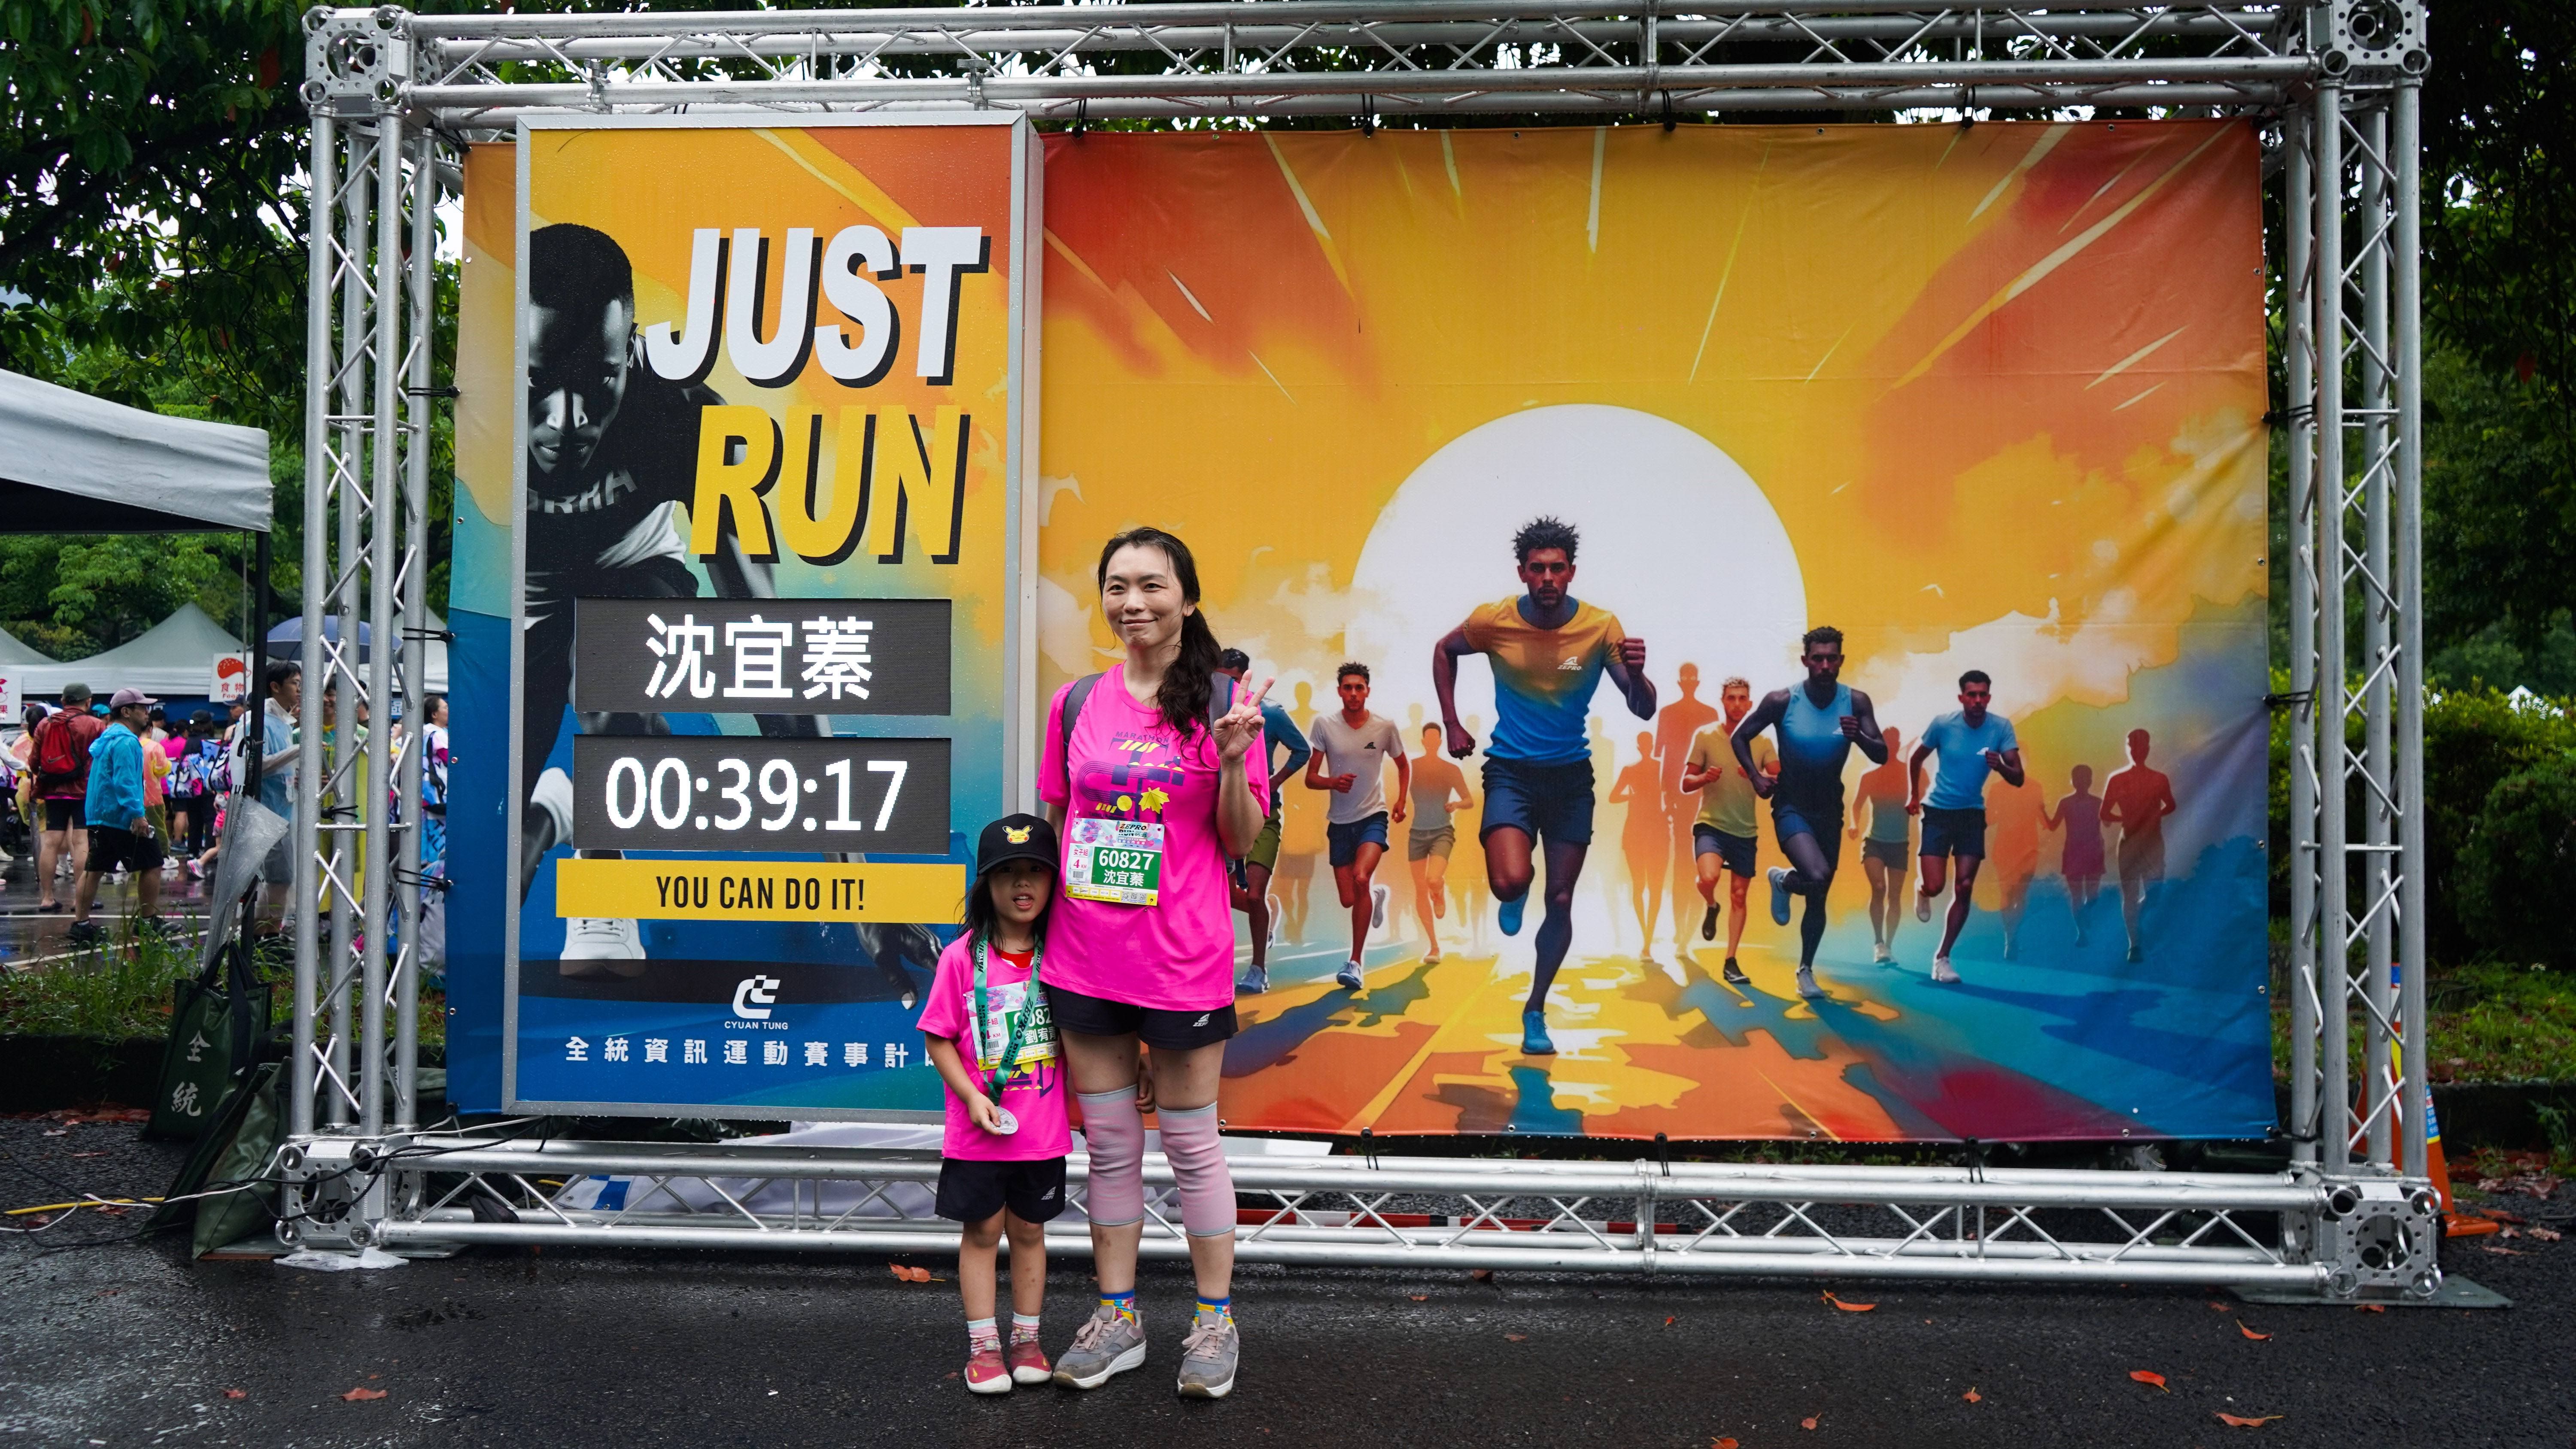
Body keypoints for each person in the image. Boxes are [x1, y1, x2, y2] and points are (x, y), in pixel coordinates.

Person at [513, 223, 816, 971]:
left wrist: (862, 890)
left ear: (633, 348)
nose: (567, 422)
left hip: (634, 560)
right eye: (539, 384)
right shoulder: (485, 414)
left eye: (597, 381)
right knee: (505, 825)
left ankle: (601, 880)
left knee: (612, 682)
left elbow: (767, 641)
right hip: (530, 586)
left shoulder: (683, 412)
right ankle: (559, 804)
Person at [1040, 527, 1269, 1399]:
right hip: (1084, 959)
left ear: (1188, 597)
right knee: (1108, 1144)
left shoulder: (1225, 703)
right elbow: (1059, 824)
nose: (1132, 602)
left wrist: (1234, 759)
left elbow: (1241, 841)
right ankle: (1118, 1317)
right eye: (1117, 586)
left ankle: (1214, 1323)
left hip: (1182, 963)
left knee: (1192, 1145)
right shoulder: (1076, 703)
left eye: (1151, 585)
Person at [1432, 517, 1654, 1055]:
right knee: (1511, 882)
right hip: (1511, 771)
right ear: (1523, 573)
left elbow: (1643, 708)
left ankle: (1535, 1008)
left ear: (1572, 572)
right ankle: (1514, 891)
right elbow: (1444, 650)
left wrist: (1641, 674)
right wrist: (1453, 723)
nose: (1548, 578)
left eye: (1557, 568)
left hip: (1570, 778)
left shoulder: (1601, 627)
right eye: (1538, 569)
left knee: (1561, 898)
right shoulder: (1494, 620)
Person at [919, 813, 1072, 1395]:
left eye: (1036, 870)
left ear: (1054, 880)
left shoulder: (1064, 957)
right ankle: (983, 1349)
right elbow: (938, 1037)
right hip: (976, 1134)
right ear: (986, 883)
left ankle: (1027, 1342)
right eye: (1007, 872)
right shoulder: (961, 957)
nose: (1022, 883)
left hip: (1042, 1134)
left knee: (1030, 1231)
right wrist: (970, 1096)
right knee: (982, 1232)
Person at [1735, 627, 1887, 1000]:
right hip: (1792, 805)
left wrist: (1858, 736)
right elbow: (1740, 737)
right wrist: (1756, 777)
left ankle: (1805, 969)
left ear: (1841, 661)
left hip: (1829, 809)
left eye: (1831, 658)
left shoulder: (1856, 702)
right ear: (1805, 660)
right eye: (1817, 659)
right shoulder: (1782, 700)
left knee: (1819, 894)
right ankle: (1786, 882)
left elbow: (1882, 754)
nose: (1824, 665)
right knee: (1817, 876)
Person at [1906, 670, 2024, 985]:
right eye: (1972, 695)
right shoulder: (1943, 724)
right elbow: (1915, 758)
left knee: (1965, 886)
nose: (1978, 700)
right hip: (1938, 811)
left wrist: (2001, 766)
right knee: (1935, 886)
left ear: (1989, 697)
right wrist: (1914, 795)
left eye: (1983, 695)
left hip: (1971, 814)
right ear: (1962, 698)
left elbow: (2019, 777)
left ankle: (1942, 958)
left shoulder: (2001, 728)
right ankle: (1923, 889)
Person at [1304, 663, 1407, 991]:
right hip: (1340, 823)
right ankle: (1375, 896)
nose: (1353, 693)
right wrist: (1333, 782)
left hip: (1373, 817)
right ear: (1339, 691)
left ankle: (1356, 963)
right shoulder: (1324, 725)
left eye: (1359, 687)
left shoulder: (1384, 727)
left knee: (1361, 877)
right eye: (1347, 687)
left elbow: (1403, 765)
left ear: (1367, 691)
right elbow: (1310, 778)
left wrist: (1401, 801)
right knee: (1349, 898)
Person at [1216, 650, 1309, 994]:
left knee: (1254, 895)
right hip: (1220, 813)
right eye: (1219, 678)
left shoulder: (1270, 712)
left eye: (1230, 679)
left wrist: (1274, 782)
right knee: (1225, 895)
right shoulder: (1208, 710)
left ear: (1243, 678)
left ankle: (1258, 969)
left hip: (1263, 813)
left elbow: (1302, 750)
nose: (1224, 686)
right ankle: (1268, 914)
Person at [1681, 677, 1775, 985]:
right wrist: (1704, 778)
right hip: (1711, 824)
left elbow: (1780, 779)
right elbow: (1686, 782)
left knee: (1739, 896)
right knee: (1709, 878)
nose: (1737, 704)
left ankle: (1731, 962)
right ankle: (1711, 905)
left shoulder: (1763, 741)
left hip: (1745, 830)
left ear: (1750, 704)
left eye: (1742, 698)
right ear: (1723, 702)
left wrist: (1756, 774)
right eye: (1731, 698)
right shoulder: (1706, 735)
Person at [67, 689, 165, 944]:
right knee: (153, 863)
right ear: (126, 712)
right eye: (143, 708)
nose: (147, 713)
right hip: (121, 816)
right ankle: (148, 923)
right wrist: (137, 815)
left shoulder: (108, 738)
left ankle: (81, 925)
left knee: (94, 869)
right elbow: (125, 782)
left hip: (99, 816)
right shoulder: (127, 742)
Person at [1655, 663, 1721, 956]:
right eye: (1687, 676)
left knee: (1700, 865)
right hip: (1681, 799)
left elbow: (1719, 757)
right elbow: (1665, 757)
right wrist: (1665, 797)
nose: (1690, 681)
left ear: (1697, 681)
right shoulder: (1668, 714)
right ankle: (1681, 932)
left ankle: (1687, 933)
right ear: (1681, 682)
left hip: (1705, 798)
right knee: (1683, 865)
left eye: (1693, 676)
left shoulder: (1710, 714)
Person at [2099, 729, 2178, 964]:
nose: (2137, 751)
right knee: (2130, 894)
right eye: (2132, 746)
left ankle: (2138, 922)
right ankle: (2134, 945)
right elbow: (2104, 813)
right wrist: (2125, 819)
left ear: (2148, 749)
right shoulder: (2117, 779)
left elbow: (2171, 804)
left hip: (2153, 842)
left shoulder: (2159, 779)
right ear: (2127, 749)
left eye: (2141, 747)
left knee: (2155, 893)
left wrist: (2155, 815)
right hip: (2129, 842)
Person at [1403, 722, 1474, 964]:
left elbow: (1469, 800)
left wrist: (1456, 805)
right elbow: (1398, 791)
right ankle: (1434, 946)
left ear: (1440, 742)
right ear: (1423, 742)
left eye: (1436, 738)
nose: (1432, 742)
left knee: (1432, 880)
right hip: (1416, 834)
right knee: (1420, 890)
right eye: (1428, 738)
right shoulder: (1412, 768)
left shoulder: (1450, 769)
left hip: (1442, 831)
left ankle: (1439, 891)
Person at [30, 682, 105, 912]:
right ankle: (80, 899)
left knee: (50, 842)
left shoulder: (45, 724)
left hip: (52, 790)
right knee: (81, 841)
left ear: (63, 701)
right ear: (88, 702)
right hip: (84, 791)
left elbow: (34, 762)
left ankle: (47, 898)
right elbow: (102, 760)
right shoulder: (95, 725)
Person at [1607, 731, 1671, 976]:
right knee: (1640, 885)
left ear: (1650, 746)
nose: (1646, 747)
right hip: (1637, 830)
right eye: (1644, 744)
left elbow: (1671, 795)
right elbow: (1614, 797)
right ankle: (1646, 937)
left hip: (1654, 830)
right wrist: (1632, 795)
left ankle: (1648, 939)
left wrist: (1668, 810)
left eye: (1648, 744)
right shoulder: (1632, 770)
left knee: (1653, 887)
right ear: (1641, 746)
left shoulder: (1659, 769)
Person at [1849, 727, 1910, 964]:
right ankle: (1878, 943)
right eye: (1887, 743)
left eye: (1895, 743)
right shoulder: (1870, 776)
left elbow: (1927, 798)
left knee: (1895, 896)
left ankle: (1889, 946)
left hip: (1900, 843)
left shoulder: (1910, 774)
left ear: (1899, 745)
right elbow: (1857, 805)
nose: (1891, 747)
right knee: (1879, 887)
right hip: (1874, 841)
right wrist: (1854, 825)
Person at [2042, 764, 2108, 945]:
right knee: (2079, 896)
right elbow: (2053, 826)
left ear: (2090, 781)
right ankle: (2081, 932)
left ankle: (2083, 921)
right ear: (2073, 781)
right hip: (2077, 852)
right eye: (2079, 779)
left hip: (2091, 852)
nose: (2082, 783)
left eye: (2084, 779)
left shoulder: (2097, 803)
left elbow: (2108, 822)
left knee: (2089, 896)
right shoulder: (2069, 803)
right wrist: (2042, 812)